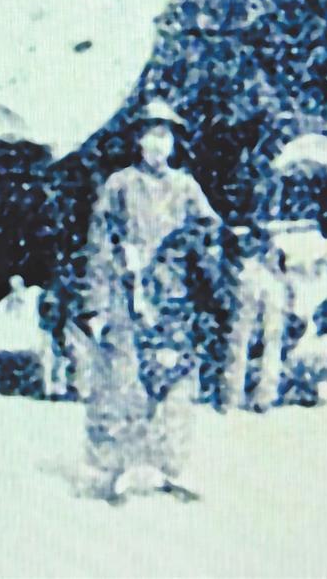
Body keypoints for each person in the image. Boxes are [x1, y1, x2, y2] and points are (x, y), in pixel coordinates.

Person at [80, 99, 220, 502]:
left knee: (177, 380)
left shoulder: (186, 187)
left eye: (165, 136)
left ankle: (173, 467)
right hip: (126, 294)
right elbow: (99, 243)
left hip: (174, 298)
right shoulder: (119, 185)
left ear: (174, 143)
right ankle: (113, 470)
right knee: (122, 380)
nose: (158, 145)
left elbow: (210, 232)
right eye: (150, 136)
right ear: (138, 141)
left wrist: (185, 254)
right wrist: (96, 303)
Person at [228, 224, 292, 411]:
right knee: (256, 339)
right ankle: (258, 393)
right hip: (261, 276)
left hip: (256, 277)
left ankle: (242, 392)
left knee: (245, 339)